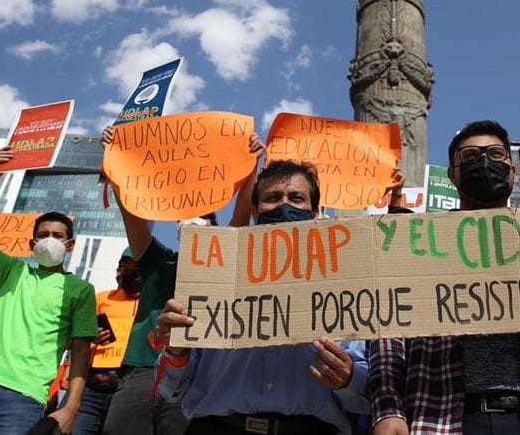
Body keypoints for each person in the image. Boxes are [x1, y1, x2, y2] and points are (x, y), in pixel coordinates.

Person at [370, 120, 520, 435]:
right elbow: (388, 335)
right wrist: (387, 409)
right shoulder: (421, 244)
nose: (485, 163)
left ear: (512, 170)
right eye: (470, 157)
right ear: (452, 174)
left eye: (496, 154)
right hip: (443, 419)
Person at [152, 159, 370, 435]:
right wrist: (176, 351)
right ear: (255, 211)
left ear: (315, 212)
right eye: (273, 198)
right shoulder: (215, 275)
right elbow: (171, 389)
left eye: (297, 198)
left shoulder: (344, 288)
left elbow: (364, 393)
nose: (284, 206)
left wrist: (347, 378)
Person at [97, 127, 261, 435]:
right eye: (184, 216)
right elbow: (131, 214)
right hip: (141, 373)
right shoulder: (157, 260)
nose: (191, 220)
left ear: (216, 227)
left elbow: (243, 209)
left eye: (202, 216)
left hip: (195, 375)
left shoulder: (224, 259)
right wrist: (115, 160)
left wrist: (252, 161)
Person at [0, 146, 98, 435]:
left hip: (23, 398)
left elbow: (80, 352)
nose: (49, 241)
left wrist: (71, 408)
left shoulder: (81, 290)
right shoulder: (14, 271)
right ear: (31, 245)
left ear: (70, 245)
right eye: (42, 236)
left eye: (57, 236)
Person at [70, 252, 142, 435]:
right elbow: (78, 335)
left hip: (129, 382)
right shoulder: (102, 298)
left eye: (136, 269)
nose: (131, 273)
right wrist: (91, 335)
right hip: (94, 381)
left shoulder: (151, 304)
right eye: (126, 268)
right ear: (119, 270)